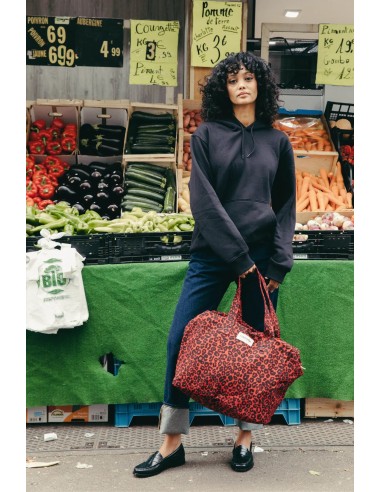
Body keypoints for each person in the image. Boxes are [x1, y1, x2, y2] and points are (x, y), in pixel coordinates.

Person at [133, 51, 296, 478]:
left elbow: (285, 208)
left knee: (254, 349)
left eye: (248, 78)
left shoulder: (278, 142)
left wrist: (276, 265)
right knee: (179, 338)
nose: (241, 85)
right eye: (232, 80)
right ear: (222, 89)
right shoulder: (205, 135)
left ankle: (245, 437)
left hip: (260, 261)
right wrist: (237, 260)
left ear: (261, 85)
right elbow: (203, 201)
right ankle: (171, 443)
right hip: (213, 254)